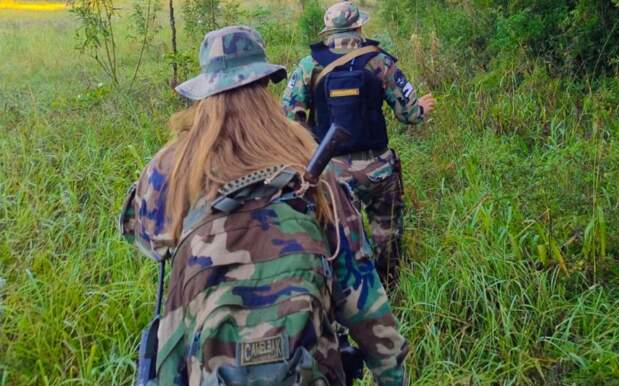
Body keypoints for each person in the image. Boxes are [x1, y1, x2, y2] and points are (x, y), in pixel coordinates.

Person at [120, 26, 408, 386]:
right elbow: (363, 298)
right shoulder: (306, 157)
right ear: (265, 83)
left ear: (204, 91)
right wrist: (392, 377)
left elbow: (145, 240)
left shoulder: (167, 169)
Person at [282, 1, 435, 287]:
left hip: (329, 172)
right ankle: (388, 288)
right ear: (358, 27)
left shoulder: (309, 65)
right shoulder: (379, 61)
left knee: (338, 234)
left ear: (327, 31)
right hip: (378, 168)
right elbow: (409, 114)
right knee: (386, 230)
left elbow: (289, 117)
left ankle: (347, 291)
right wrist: (423, 109)